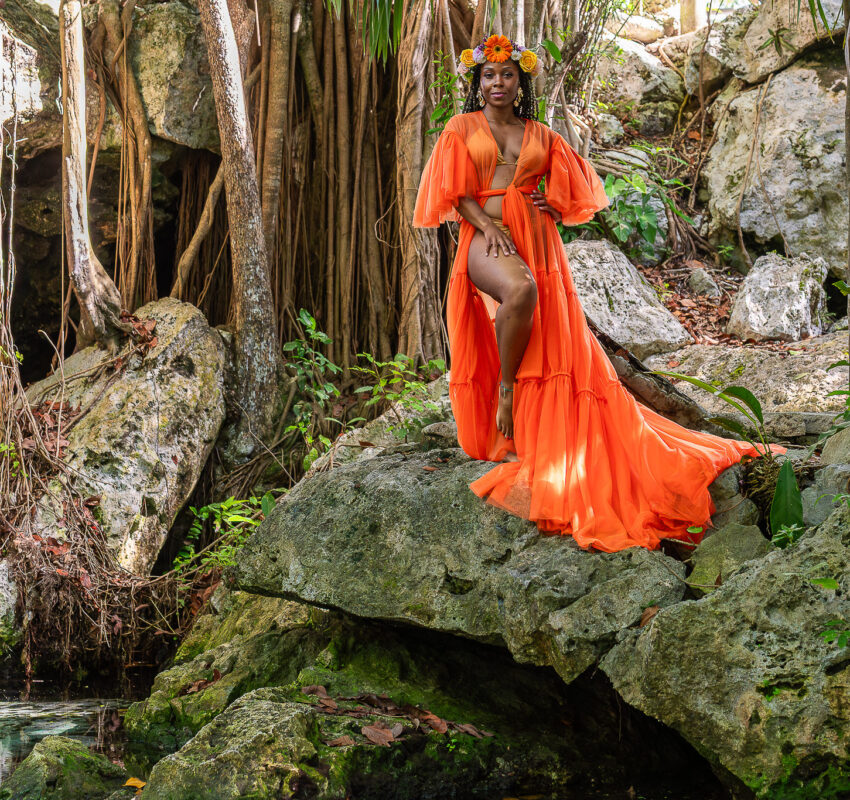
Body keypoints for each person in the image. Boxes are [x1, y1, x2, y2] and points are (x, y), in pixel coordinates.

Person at [413, 34, 781, 553]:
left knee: (546, 322)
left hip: (536, 236)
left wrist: (551, 200)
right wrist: (487, 226)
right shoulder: (461, 127)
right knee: (519, 290)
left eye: (508, 75)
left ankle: (528, 413)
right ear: (478, 81)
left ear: (521, 82)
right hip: (486, 237)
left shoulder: (541, 133)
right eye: (489, 75)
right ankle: (506, 388)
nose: (498, 83)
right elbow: (455, 193)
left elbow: (580, 186)